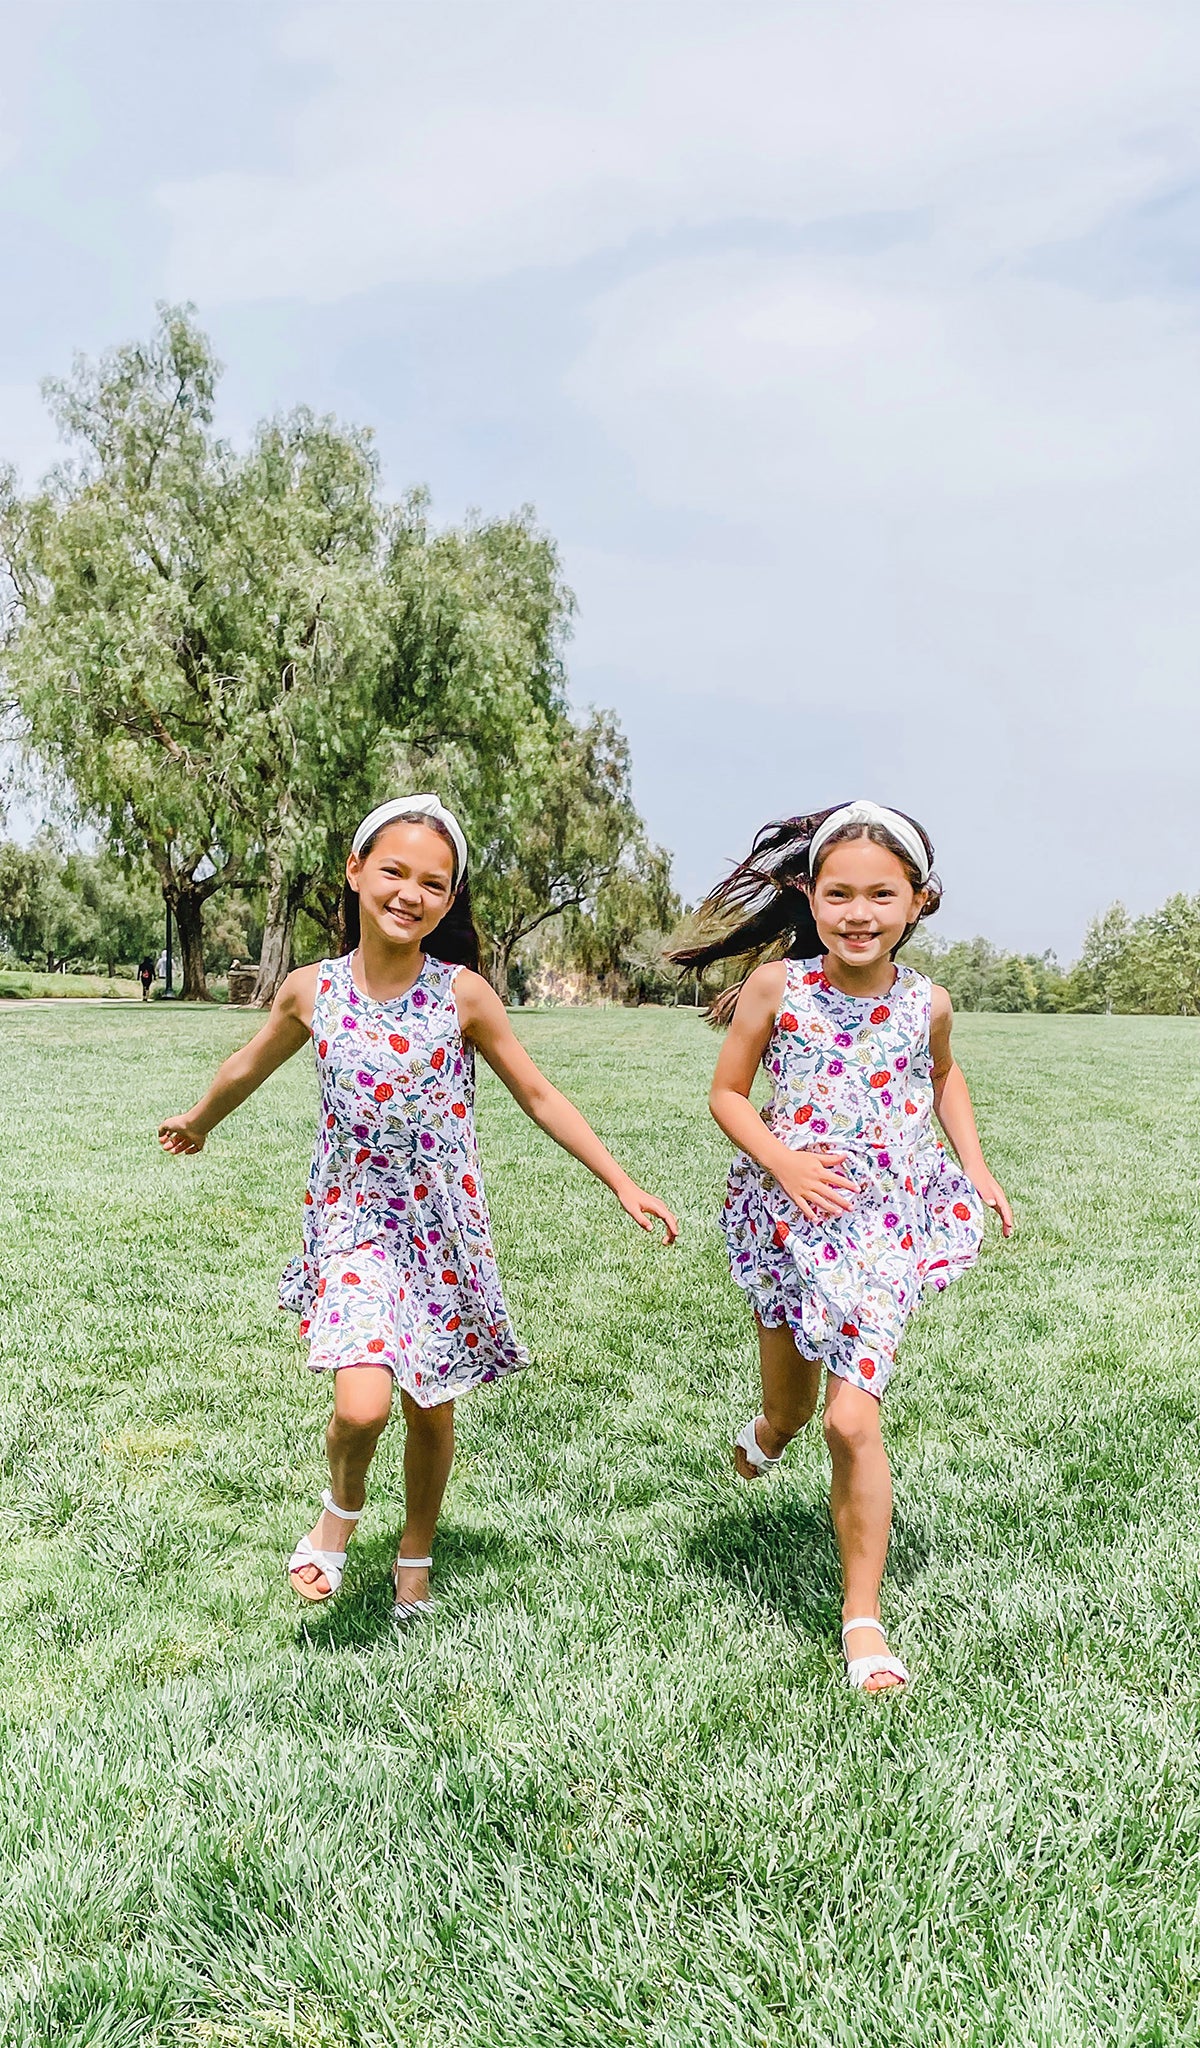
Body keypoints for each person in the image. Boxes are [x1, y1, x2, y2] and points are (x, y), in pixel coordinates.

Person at [159, 794, 678, 1620]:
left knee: (429, 1408)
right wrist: (199, 1121)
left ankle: (416, 1557)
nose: (411, 893)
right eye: (394, 871)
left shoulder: (463, 995)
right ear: (357, 872)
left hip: (442, 1233)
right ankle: (338, 1516)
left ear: (448, 900)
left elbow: (539, 1096)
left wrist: (620, 1180)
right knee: (360, 1404)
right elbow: (247, 1066)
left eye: (433, 883)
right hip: (355, 1222)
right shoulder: (312, 990)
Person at [670, 799, 1012, 1693]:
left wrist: (976, 1172)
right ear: (808, 897)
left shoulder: (927, 1004)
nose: (860, 913)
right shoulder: (779, 990)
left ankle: (862, 1621)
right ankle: (766, 1432)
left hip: (886, 1229)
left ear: (918, 902)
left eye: (881, 895)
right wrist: (784, 1163)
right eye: (839, 894)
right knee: (790, 1413)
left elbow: (945, 1079)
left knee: (852, 1419)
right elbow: (729, 1096)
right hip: (791, 1222)